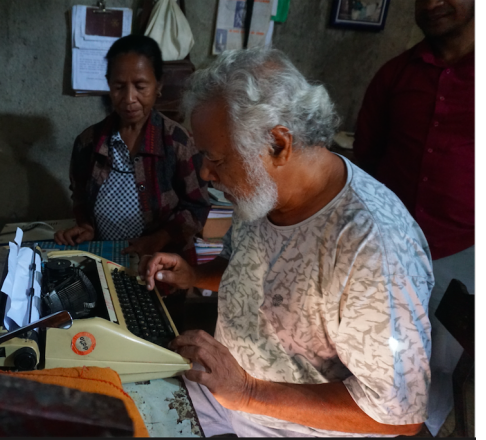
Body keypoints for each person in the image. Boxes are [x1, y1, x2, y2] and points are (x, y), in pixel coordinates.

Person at [140, 46, 434, 436]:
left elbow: (400, 412)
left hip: (284, 426)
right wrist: (193, 275)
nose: (207, 174)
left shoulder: (373, 247)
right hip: (229, 393)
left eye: (217, 159)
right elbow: (251, 273)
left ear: (279, 144)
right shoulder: (263, 194)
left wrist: (247, 392)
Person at [353, 0, 474, 434]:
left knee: (448, 378)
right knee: (379, 370)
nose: (433, 3)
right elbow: (363, 163)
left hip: (462, 252)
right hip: (388, 253)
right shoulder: (396, 76)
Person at [54, 34, 209, 267]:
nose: (129, 99)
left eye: (140, 86)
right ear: (108, 84)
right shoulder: (88, 143)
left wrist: (158, 239)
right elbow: (80, 195)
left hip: (161, 265)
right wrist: (86, 226)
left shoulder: (178, 143)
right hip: (105, 260)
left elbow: (197, 206)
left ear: (158, 85)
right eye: (119, 86)